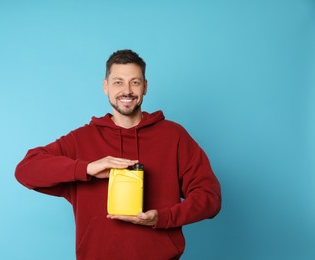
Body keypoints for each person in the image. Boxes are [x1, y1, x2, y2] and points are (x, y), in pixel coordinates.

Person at [15, 49, 221, 259]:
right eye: (118, 82)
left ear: (145, 87)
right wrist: (87, 168)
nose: (127, 90)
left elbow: (210, 198)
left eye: (135, 82)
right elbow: (26, 170)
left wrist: (163, 218)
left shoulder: (173, 136)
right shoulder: (81, 139)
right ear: (105, 87)